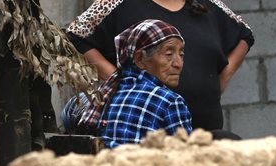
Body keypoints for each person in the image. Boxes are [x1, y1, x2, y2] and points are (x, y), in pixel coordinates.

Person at [66, 0, 254, 133]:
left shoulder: (202, 1)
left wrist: (222, 78)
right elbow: (74, 36)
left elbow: (245, 33)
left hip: (204, 132)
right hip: (143, 132)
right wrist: (117, 81)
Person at [75, 19, 192, 148]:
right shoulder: (170, 102)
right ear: (139, 59)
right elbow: (183, 158)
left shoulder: (108, 92)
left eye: (181, 54)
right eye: (169, 54)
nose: (178, 64)